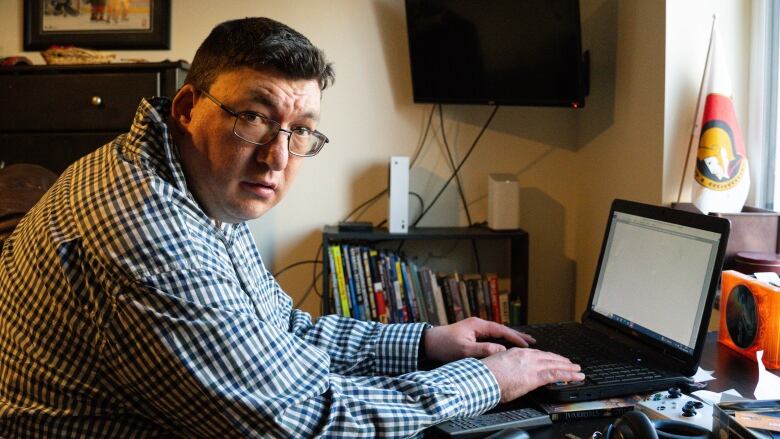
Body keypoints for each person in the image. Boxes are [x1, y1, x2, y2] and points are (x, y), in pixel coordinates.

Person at [0, 17, 584, 438]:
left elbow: (281, 329)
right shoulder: (149, 229)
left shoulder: (194, 185)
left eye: (301, 129)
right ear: (185, 108)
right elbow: (306, 423)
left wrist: (430, 344)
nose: (279, 157)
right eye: (253, 117)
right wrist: (486, 382)